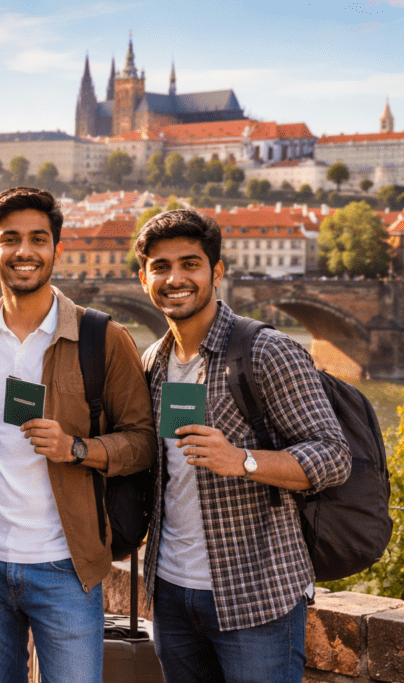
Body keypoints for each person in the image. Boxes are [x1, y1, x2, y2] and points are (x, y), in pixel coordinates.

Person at [0, 187, 156, 683]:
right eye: (10, 239)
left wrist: (77, 448)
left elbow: (144, 441)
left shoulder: (102, 337)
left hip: (66, 562)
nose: (25, 251)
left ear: (56, 250)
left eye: (38, 239)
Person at [134, 209, 350, 683]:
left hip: (257, 593)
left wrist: (243, 460)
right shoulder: (152, 361)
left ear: (216, 271)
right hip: (170, 591)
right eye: (161, 267)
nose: (175, 278)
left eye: (190, 264)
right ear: (144, 278)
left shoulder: (266, 350)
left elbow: (334, 456)